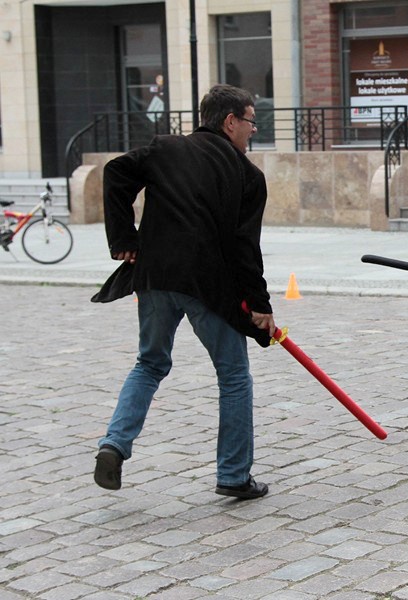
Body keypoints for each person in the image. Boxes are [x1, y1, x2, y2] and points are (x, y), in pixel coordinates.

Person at [92, 84, 277, 499]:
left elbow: (115, 172)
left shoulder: (166, 147)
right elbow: (245, 248)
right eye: (251, 121)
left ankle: (114, 445)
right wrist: (260, 306)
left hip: (155, 277)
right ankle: (233, 476)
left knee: (149, 364)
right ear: (230, 122)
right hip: (208, 286)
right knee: (233, 377)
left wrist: (125, 238)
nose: (253, 129)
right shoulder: (248, 175)